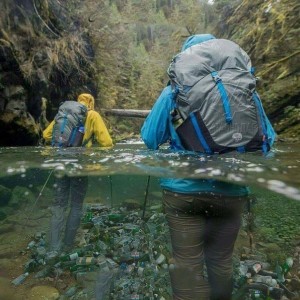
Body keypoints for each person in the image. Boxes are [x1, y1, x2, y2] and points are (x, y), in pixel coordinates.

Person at [141, 34, 276, 300]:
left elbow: (150, 138)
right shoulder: (247, 92)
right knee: (221, 262)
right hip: (232, 192)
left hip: (183, 193)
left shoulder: (173, 92)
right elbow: (267, 140)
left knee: (187, 265)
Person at [43, 93, 113, 254]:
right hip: (79, 166)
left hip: (60, 163)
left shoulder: (65, 113)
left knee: (59, 204)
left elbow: (46, 135)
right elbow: (107, 143)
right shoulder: (93, 115)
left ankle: (53, 247)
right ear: (91, 103)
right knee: (76, 205)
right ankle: (68, 246)